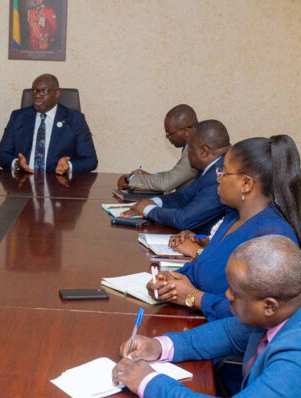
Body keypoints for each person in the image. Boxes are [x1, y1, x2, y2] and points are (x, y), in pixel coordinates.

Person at [112, 235, 301, 398]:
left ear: (269, 306)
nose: (227, 295)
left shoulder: (296, 356)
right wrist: (159, 346)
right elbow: (227, 334)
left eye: (235, 292)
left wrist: (148, 381)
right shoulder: (279, 312)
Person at [147, 135, 301, 321]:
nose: (218, 179)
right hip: (195, 322)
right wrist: (168, 281)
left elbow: (255, 314)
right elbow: (201, 268)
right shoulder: (233, 217)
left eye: (224, 173)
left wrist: (194, 298)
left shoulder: (271, 235)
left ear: (246, 183)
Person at [122, 120, 230, 235]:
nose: (187, 151)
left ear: (204, 151)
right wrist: (153, 202)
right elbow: (183, 196)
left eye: (190, 148)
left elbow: (184, 219)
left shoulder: (220, 174)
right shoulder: (211, 167)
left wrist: (148, 210)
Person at [0, 74, 98, 175]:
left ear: (57, 94)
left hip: (59, 184)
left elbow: (90, 161)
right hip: (23, 182)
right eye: (34, 91)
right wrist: (16, 163)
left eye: (44, 91)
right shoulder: (18, 117)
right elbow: (1, 155)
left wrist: (69, 166)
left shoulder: (75, 120)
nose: (37, 95)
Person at [117, 104, 197, 192]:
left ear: (186, 132)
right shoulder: (193, 144)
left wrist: (130, 179)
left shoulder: (196, 150)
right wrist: (148, 177)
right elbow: (173, 177)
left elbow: (166, 183)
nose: (167, 136)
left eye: (170, 133)